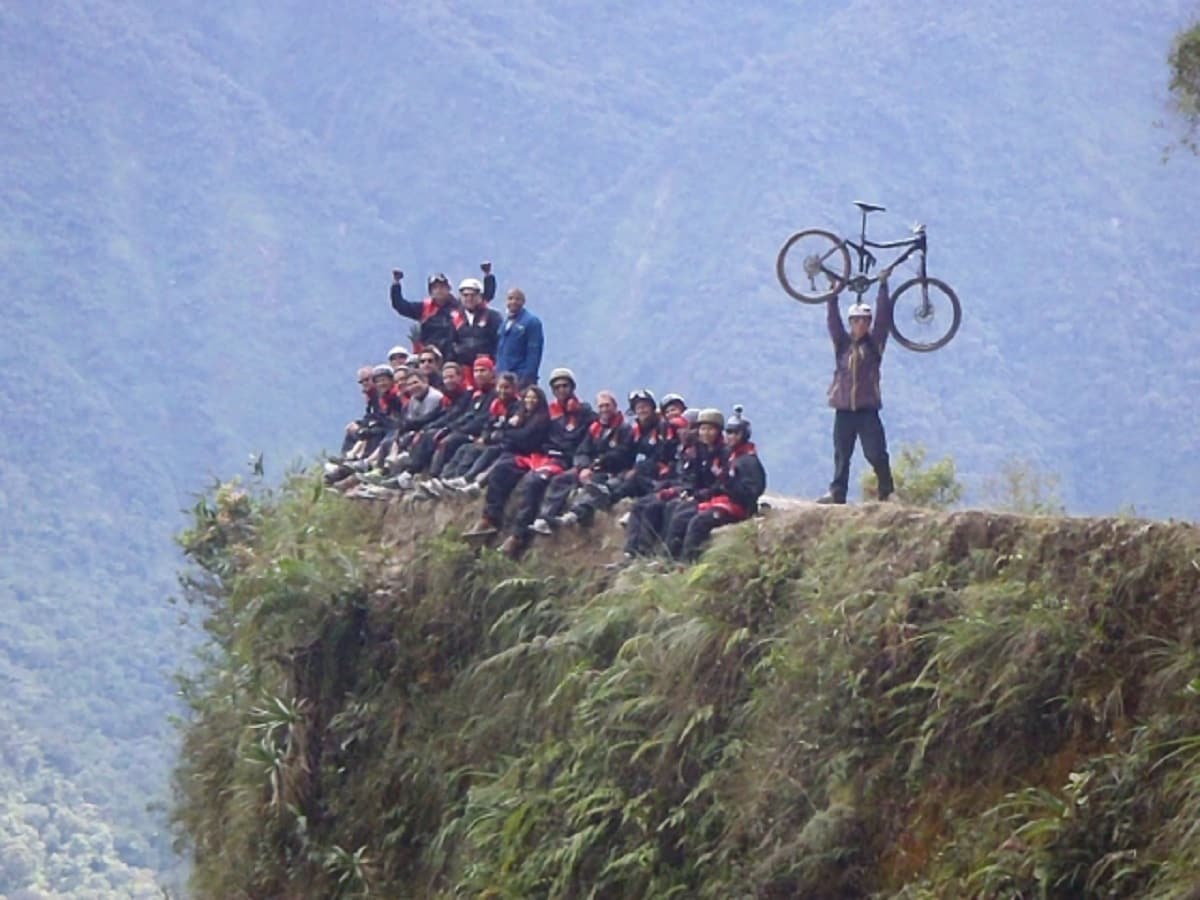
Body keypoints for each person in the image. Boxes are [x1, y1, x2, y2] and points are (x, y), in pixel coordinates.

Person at [494, 368, 596, 556]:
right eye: (557, 387)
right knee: (508, 471)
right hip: (547, 456)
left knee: (535, 481)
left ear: (572, 387)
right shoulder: (551, 413)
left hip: (567, 461)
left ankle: (518, 536)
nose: (561, 390)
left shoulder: (585, 413)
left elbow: (587, 442)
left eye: (565, 386)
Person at [816, 271, 896, 504]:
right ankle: (837, 493)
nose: (861, 324)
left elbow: (884, 318)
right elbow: (833, 323)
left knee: (876, 453)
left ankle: (887, 491)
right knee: (842, 454)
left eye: (865, 321)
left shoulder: (874, 345)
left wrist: (883, 287)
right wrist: (833, 294)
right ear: (851, 323)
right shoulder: (842, 344)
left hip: (867, 409)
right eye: (856, 320)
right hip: (843, 409)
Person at [668, 405, 766, 561]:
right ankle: (670, 560)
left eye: (735, 433)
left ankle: (687, 564)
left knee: (698, 522)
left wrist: (728, 483)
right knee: (682, 516)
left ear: (744, 435)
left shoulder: (748, 460)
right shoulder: (733, 456)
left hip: (739, 507)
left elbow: (753, 491)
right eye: (728, 432)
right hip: (721, 501)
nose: (731, 436)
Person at [568, 388, 678, 526]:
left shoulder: (662, 427)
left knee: (625, 482)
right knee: (604, 482)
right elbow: (626, 453)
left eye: (645, 407)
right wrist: (591, 465)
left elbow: (663, 455)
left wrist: (637, 468)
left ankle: (607, 497)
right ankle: (578, 512)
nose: (642, 411)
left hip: (657, 474)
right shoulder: (635, 430)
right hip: (632, 471)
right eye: (638, 408)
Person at [623, 408, 723, 559]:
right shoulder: (693, 451)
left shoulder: (720, 453)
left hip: (711, 499)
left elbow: (719, 483)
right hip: (690, 492)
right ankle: (634, 552)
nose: (680, 432)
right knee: (642, 504)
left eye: (685, 428)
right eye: (703, 429)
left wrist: (689, 492)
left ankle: (668, 557)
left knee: (669, 509)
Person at [530, 390, 632, 534]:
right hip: (588, 467)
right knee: (561, 479)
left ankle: (572, 516)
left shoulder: (624, 428)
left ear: (615, 406)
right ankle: (545, 518)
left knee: (592, 486)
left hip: (608, 471)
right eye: (601, 406)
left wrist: (597, 464)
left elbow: (622, 454)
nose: (604, 409)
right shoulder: (595, 427)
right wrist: (583, 466)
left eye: (607, 405)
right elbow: (582, 450)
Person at [464, 385, 552, 537]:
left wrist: (508, 430)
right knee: (499, 458)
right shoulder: (523, 416)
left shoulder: (541, 419)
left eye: (534, 397)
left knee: (502, 468)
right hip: (517, 452)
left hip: (532, 457)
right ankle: (488, 515)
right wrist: (510, 431)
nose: (530, 400)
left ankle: (491, 513)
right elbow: (512, 437)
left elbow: (525, 439)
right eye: (527, 397)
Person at [390, 270, 463, 362]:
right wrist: (396, 283)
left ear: (449, 289)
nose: (439, 290)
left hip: (453, 358)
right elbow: (400, 306)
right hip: (429, 357)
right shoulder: (424, 308)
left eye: (442, 287)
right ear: (431, 292)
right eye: (435, 288)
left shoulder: (460, 308)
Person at [494, 287, 543, 388]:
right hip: (502, 377)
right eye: (510, 298)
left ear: (523, 301)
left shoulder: (531, 322)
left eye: (517, 299)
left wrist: (527, 377)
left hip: (520, 377)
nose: (513, 302)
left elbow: (534, 352)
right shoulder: (505, 323)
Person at [453, 277, 502, 369]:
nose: (469, 299)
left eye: (473, 295)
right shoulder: (455, 318)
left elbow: (499, 343)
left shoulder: (493, 316)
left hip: (487, 367)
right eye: (465, 295)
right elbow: (451, 343)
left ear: (480, 296)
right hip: (463, 368)